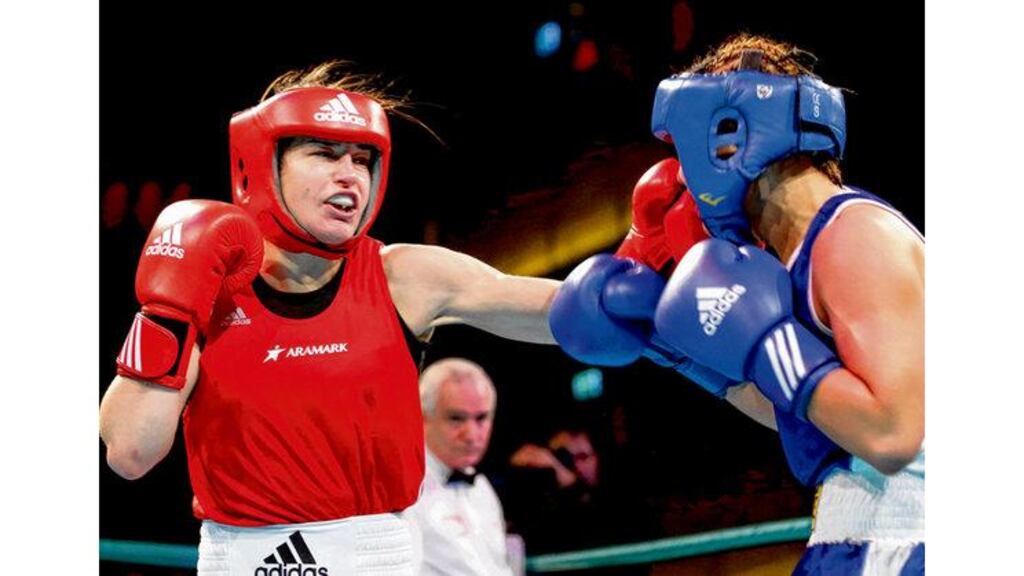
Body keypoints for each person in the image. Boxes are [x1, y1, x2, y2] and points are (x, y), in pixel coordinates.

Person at [99, 61, 560, 575]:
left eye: (362, 159)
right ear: (263, 164)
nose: (350, 175)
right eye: (324, 154)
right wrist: (168, 311)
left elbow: (556, 312)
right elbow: (130, 453)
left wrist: (638, 280)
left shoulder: (403, 276)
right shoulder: (209, 293)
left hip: (380, 559)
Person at [549, 34, 924, 575]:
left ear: (726, 135)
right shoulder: (803, 254)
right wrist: (683, 354)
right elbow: (811, 415)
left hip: (907, 536)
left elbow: (891, 433)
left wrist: (769, 340)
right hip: (855, 533)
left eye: (682, 151)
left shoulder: (853, 234)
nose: (680, 175)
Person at [409, 357, 520, 576]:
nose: (471, 435)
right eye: (456, 419)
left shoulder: (481, 487)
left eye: (481, 418)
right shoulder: (404, 491)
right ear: (423, 417)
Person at [505, 427, 657, 575]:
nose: (573, 466)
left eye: (582, 457)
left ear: (600, 458)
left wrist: (571, 487)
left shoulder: (624, 501)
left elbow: (595, 539)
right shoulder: (546, 502)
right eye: (562, 457)